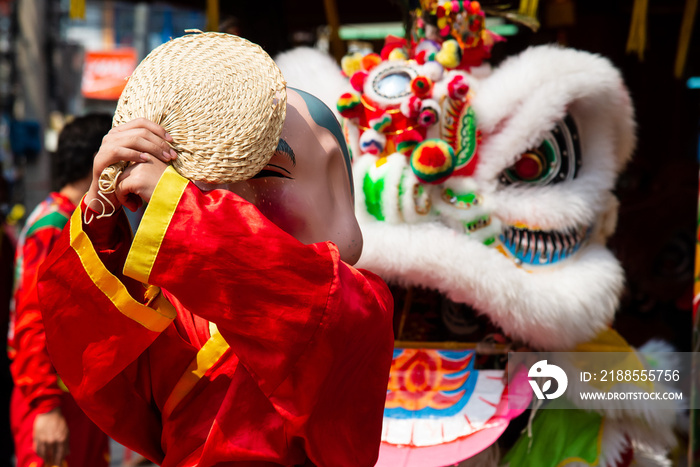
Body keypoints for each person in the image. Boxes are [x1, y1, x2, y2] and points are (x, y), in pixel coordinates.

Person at [38, 89, 394, 466]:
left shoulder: (359, 302)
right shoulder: (186, 302)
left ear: (334, 184)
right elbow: (101, 360)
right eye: (210, 178)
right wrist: (100, 209)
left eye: (267, 172)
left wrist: (179, 209)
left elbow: (295, 292)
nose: (232, 197)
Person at [9, 114, 112, 467]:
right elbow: (32, 320)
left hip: (76, 403)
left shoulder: (73, 219)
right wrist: (46, 406)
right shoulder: (54, 226)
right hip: (54, 403)